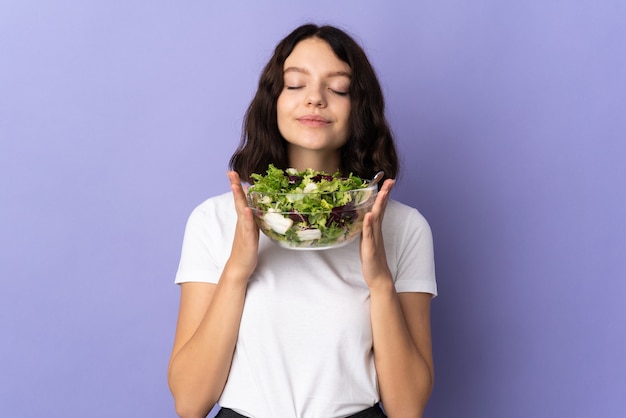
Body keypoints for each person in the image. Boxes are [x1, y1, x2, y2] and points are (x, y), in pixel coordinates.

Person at [167, 23, 437, 418]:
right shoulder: (214, 220)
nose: (315, 99)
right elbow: (190, 403)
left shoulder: (403, 227)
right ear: (273, 101)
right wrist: (237, 271)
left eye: (338, 88)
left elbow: (407, 408)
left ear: (358, 107)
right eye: (295, 85)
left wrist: (379, 282)